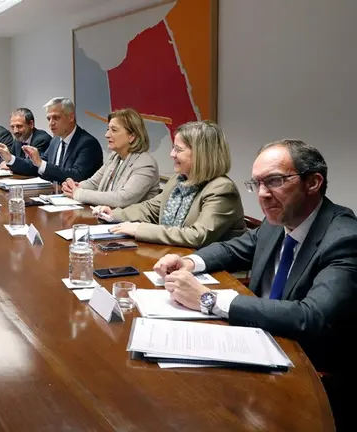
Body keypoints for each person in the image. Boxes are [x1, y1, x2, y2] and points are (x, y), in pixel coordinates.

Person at [152, 139, 357, 430]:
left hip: (307, 373)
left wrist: (209, 299)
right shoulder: (277, 221)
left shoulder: (345, 238)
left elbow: (310, 316)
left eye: (274, 181)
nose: (262, 195)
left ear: (313, 182)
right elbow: (238, 247)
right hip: (253, 343)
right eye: (257, 183)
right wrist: (190, 262)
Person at [94, 120, 245, 248]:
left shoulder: (222, 189)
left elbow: (197, 235)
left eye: (178, 150)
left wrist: (140, 229)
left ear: (201, 156)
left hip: (217, 272)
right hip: (174, 256)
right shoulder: (179, 180)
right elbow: (150, 209)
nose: (171, 154)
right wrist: (114, 214)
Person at [61, 108, 159, 207]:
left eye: (114, 130)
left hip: (129, 221)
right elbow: (94, 183)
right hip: (105, 216)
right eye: (108, 129)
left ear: (132, 136)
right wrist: (73, 187)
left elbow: (122, 199)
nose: (107, 135)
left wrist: (79, 193)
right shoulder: (115, 156)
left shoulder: (146, 163)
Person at [0, 97, 103, 182]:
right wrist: (10, 158)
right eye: (48, 118)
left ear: (71, 117)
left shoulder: (87, 143)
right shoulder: (55, 141)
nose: (51, 123)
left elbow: (76, 176)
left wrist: (41, 163)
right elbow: (36, 165)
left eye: (56, 118)